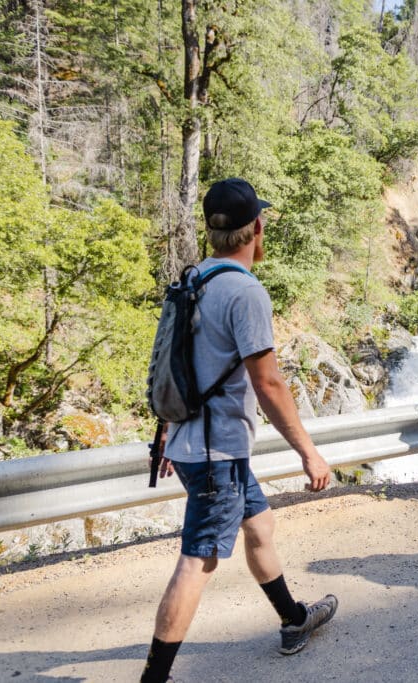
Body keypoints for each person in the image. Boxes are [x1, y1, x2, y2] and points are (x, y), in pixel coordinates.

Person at [141, 178, 338, 683]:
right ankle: (153, 678)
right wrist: (309, 453)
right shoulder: (245, 291)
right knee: (197, 562)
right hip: (216, 453)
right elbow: (268, 381)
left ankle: (294, 620)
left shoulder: (192, 280)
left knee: (260, 525)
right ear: (257, 227)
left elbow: (173, 363)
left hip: (197, 443)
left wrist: (167, 428)